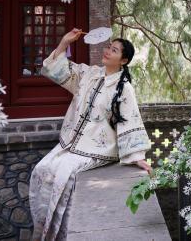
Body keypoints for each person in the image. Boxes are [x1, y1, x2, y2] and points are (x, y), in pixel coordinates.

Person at [29, 28, 152, 241]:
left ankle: (59, 235)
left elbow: (130, 120)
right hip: (71, 143)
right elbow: (55, 69)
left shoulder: (124, 88)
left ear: (123, 61)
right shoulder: (89, 74)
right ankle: (41, 232)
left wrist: (136, 157)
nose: (107, 51)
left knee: (63, 176)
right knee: (41, 169)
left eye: (114, 50)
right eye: (108, 47)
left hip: (97, 148)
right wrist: (64, 42)